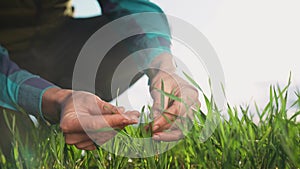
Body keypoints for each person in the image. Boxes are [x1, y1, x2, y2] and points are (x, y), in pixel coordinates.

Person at [0, 0, 200, 151]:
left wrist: (162, 67)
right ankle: (47, 114)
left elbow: (133, 7)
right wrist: (56, 99)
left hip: (57, 40)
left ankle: (78, 115)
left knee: (134, 41)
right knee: (13, 146)